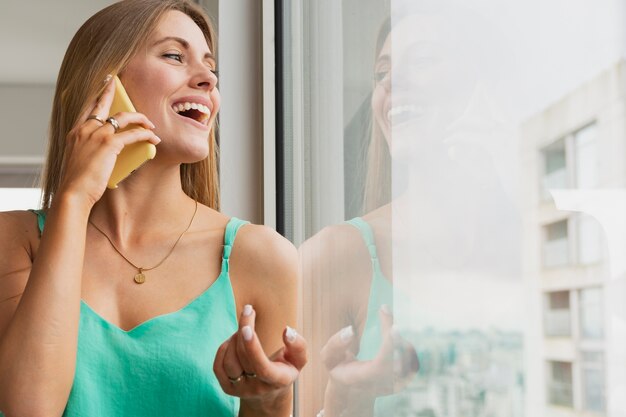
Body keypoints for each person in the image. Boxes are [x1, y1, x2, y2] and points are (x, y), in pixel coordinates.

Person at [0, 1, 306, 416]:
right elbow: (29, 409)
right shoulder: (14, 240)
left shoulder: (262, 258)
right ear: (103, 83)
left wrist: (271, 400)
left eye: (211, 68)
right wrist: (74, 198)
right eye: (175, 56)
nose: (207, 80)